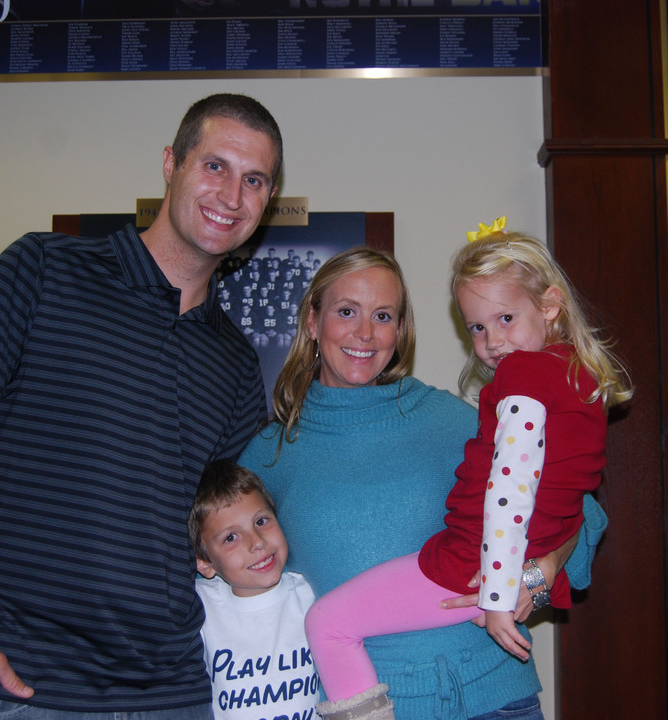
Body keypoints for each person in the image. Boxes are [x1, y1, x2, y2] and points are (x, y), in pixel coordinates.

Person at [0, 93, 283, 720]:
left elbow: (239, 521)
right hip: (20, 684)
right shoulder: (42, 269)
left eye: (254, 180)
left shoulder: (235, 362)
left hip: (175, 694)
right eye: (214, 166)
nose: (232, 195)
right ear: (171, 164)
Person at [237, 245, 609, 720]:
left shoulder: (453, 418)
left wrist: (538, 575)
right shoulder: (269, 455)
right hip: (377, 705)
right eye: (347, 311)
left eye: (384, 315)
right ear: (313, 322)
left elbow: (580, 508)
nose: (365, 333)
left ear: (400, 330)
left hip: (497, 698)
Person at [188, 459, 318, 719]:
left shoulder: (309, 594)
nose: (257, 542)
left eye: (261, 521)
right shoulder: (201, 605)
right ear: (204, 562)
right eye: (230, 537)